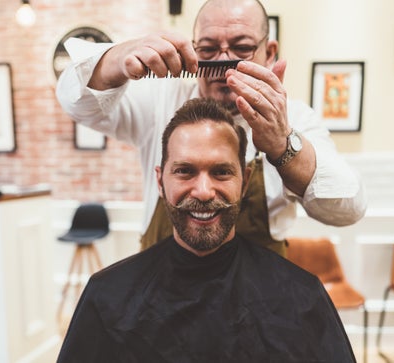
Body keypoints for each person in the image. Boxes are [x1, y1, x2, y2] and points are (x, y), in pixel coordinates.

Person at [56, 98, 357, 362]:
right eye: (185, 171)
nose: (203, 191)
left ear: (245, 179)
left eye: (221, 172)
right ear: (160, 181)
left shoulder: (301, 297)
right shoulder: (108, 296)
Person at [56, 0, 366, 256]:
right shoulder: (160, 99)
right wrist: (116, 58)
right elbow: (77, 102)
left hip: (255, 301)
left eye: (241, 47)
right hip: (161, 294)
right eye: (208, 49)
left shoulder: (294, 117)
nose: (224, 61)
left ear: (270, 53)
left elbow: (348, 209)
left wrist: (283, 146)